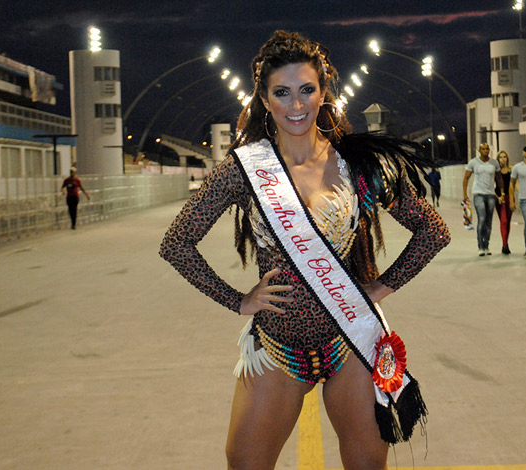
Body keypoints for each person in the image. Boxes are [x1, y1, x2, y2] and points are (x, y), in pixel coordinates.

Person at [159, 31, 450, 470]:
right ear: (264, 98)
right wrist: (238, 300)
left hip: (349, 340)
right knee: (245, 463)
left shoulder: (359, 165)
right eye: (282, 93)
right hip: (277, 347)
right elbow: (176, 242)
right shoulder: (244, 169)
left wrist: (380, 287)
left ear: (323, 93)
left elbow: (433, 230)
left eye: (306, 90)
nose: (296, 106)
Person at [462, 142, 503, 256]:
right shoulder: (473, 162)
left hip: (490, 194)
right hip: (478, 194)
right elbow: (466, 178)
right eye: (483, 149)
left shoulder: (494, 163)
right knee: (482, 218)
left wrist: (502, 192)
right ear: (479, 150)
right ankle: (480, 246)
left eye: (487, 149)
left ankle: (486, 245)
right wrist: (465, 194)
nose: (486, 150)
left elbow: (499, 178)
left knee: (489, 221)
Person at [495, 150, 513, 254]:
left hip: (508, 197)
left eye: (505, 157)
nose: (503, 159)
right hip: (499, 199)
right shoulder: (496, 172)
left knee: (508, 222)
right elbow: (491, 186)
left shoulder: (511, 170)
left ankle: (505, 243)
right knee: (504, 220)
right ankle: (505, 244)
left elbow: (514, 186)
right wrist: (498, 197)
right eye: (501, 157)